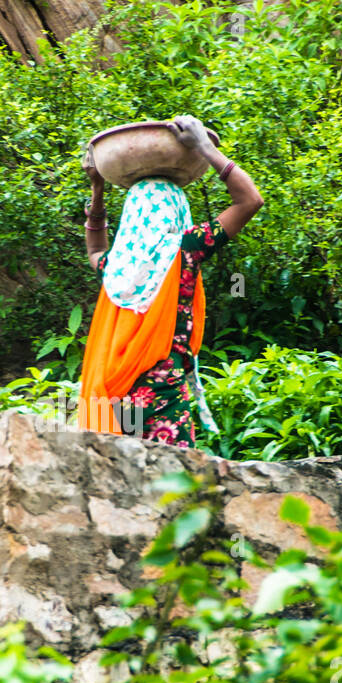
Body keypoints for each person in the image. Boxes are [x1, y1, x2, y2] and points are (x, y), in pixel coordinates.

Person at [78, 114, 263, 447]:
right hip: (161, 390)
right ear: (179, 211)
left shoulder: (116, 266)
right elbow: (250, 201)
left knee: (118, 484)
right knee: (171, 488)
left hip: (110, 392)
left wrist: (98, 187)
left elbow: (95, 246)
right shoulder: (185, 249)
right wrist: (205, 147)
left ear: (132, 217)